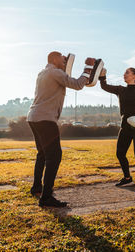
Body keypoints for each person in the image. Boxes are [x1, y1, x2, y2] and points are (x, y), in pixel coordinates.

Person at [27, 51, 96, 207]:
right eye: (62, 58)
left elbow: (68, 79)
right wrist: (88, 67)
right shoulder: (54, 72)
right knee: (55, 156)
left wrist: (72, 69)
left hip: (33, 116)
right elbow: (77, 85)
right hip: (45, 118)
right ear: (54, 59)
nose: (64, 59)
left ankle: (37, 188)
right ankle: (46, 198)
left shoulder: (43, 72)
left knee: (42, 154)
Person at [99, 67, 135, 197]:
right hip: (125, 127)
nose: (124, 74)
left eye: (127, 72)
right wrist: (102, 76)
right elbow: (104, 86)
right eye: (124, 72)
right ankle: (127, 178)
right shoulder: (120, 90)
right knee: (120, 153)